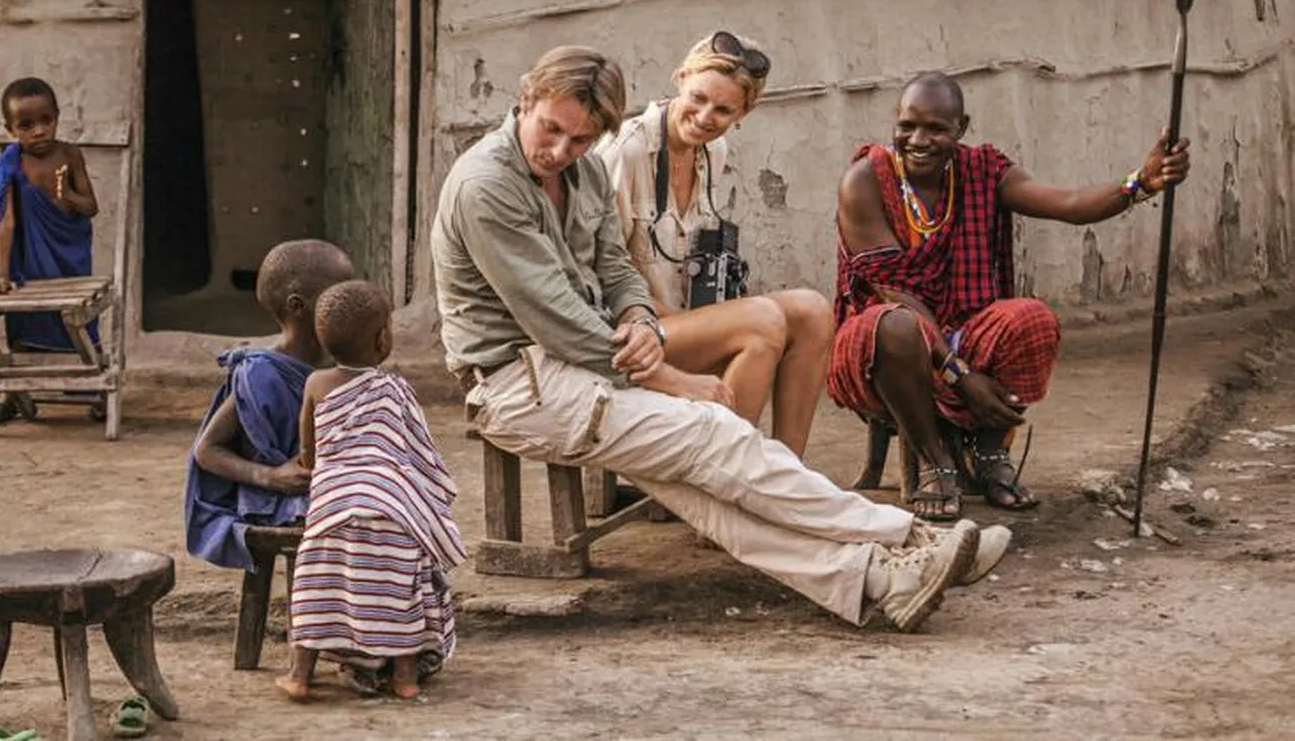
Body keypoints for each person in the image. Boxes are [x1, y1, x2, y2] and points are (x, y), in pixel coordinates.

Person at [432, 45, 1009, 634]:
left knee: (704, 489)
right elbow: (556, 320)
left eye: (579, 140)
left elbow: (614, 265)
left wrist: (636, 316)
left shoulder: (578, 172)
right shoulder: (487, 186)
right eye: (550, 130)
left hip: (583, 368)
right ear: (525, 101)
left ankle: (881, 581)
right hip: (519, 385)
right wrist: (673, 379)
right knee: (716, 432)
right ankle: (911, 536)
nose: (559, 151)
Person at [829, 71, 1191, 521]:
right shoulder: (864, 180)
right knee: (898, 325)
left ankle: (989, 456)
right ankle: (935, 461)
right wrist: (960, 375)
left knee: (1031, 318)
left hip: (963, 333)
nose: (918, 139)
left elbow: (1071, 204)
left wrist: (1141, 182)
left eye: (936, 129)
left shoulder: (983, 171)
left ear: (961, 128)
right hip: (881, 350)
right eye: (908, 126)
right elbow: (896, 293)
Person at [598, 31, 834, 455]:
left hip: (683, 320)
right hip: (632, 330)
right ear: (680, 77)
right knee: (761, 320)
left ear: (745, 111)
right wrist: (711, 321)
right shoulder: (628, 150)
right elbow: (600, 269)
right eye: (698, 98)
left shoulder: (713, 152)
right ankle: (727, 471)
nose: (706, 116)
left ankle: (786, 469)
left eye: (723, 109)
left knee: (813, 310)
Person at [277, 280, 464, 702]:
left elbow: (309, 454)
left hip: (332, 510)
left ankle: (299, 677)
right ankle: (405, 679)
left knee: (313, 589)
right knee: (401, 591)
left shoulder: (316, 385)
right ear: (383, 340)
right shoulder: (396, 389)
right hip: (393, 509)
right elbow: (420, 453)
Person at [185, 240, 353, 570]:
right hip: (282, 499)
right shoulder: (262, 373)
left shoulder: (347, 360)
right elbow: (207, 451)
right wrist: (271, 476)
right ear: (298, 306)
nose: (349, 301)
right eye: (338, 293)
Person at [0, 77, 100, 422]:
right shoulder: (12, 163)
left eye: (45, 121)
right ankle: (14, 391)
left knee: (78, 320)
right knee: (22, 322)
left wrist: (67, 197)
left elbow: (91, 206)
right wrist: (2, 275)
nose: (38, 131)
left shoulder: (70, 154)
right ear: (11, 130)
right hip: (31, 261)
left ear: (57, 118)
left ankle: (92, 386)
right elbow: (6, 222)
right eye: (26, 125)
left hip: (70, 255)